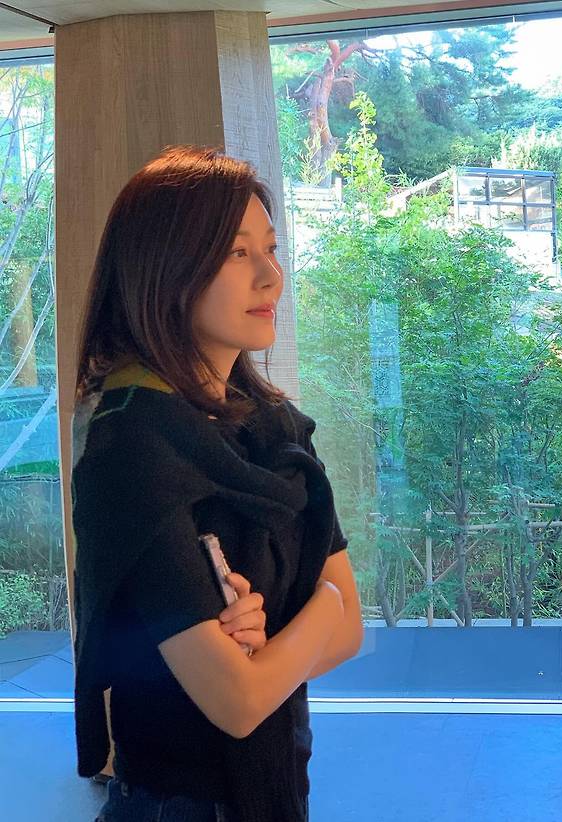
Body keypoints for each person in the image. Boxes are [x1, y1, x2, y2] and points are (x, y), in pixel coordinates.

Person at [70, 145, 364, 822]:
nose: (271, 275)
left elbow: (352, 634)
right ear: (166, 269)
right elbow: (238, 701)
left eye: (271, 248)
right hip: (174, 803)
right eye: (237, 252)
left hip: (280, 784)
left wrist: (278, 642)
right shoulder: (132, 443)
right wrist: (321, 605)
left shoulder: (273, 425)